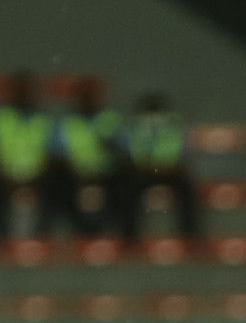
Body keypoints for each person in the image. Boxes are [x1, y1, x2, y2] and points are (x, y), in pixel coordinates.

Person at [51, 76, 124, 235]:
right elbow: (57, 153)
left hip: (104, 175)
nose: (87, 99)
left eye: (90, 95)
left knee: (124, 186)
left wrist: (98, 172)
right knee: (57, 185)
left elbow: (121, 151)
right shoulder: (67, 122)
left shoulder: (109, 119)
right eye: (84, 95)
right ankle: (71, 231)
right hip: (75, 175)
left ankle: (122, 233)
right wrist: (79, 171)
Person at [122, 92, 198, 239]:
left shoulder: (174, 128)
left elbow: (184, 158)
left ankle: (189, 233)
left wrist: (168, 168)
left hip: (169, 173)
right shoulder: (134, 128)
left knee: (186, 188)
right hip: (144, 173)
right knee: (127, 189)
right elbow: (129, 157)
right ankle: (129, 234)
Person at [0, 71, 57, 239]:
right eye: (19, 90)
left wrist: (32, 179)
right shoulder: (3, 118)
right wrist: (9, 178)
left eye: (27, 90)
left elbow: (54, 154)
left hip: (37, 180)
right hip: (5, 180)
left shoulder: (44, 119)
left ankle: (43, 238)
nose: (23, 95)